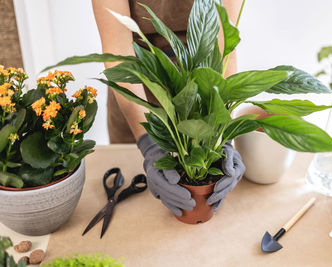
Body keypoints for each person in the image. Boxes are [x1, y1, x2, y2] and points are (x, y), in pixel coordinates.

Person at [92, 0, 245, 216]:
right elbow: (118, 54)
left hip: (201, 91)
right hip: (137, 93)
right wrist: (149, 144)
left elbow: (225, 46)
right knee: (132, 210)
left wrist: (222, 136)